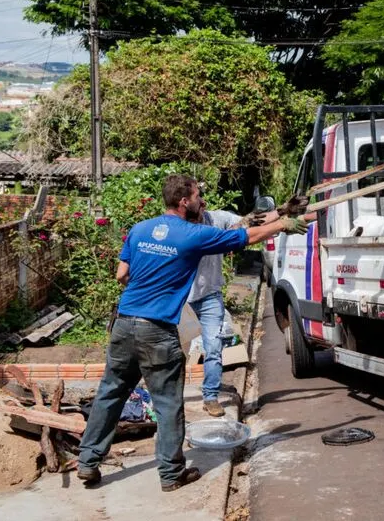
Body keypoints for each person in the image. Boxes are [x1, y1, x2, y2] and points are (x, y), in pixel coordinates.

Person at [77, 175, 308, 492]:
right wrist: (283, 225)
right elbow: (246, 236)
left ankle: (87, 462)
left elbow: (122, 275)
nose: (203, 200)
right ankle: (171, 474)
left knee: (110, 392)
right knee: (168, 403)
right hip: (156, 329)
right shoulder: (193, 235)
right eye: (199, 195)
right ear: (184, 201)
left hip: (124, 323)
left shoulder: (141, 229)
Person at [188, 195, 303, 417]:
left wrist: (282, 211)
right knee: (175, 349)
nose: (203, 203)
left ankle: (210, 396)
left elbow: (251, 225)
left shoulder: (216, 219)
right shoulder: (181, 229)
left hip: (210, 295)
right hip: (181, 299)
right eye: (197, 199)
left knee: (213, 346)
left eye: (203, 199)